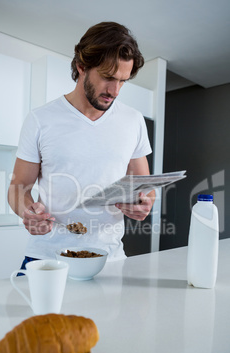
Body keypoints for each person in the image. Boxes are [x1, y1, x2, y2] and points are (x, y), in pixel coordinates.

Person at [8, 21, 155, 268]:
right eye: (108, 77)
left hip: (110, 260)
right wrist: (28, 212)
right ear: (82, 66)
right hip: (48, 257)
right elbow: (18, 187)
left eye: (122, 81)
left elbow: (145, 187)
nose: (115, 91)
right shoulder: (40, 119)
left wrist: (144, 204)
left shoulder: (133, 120)